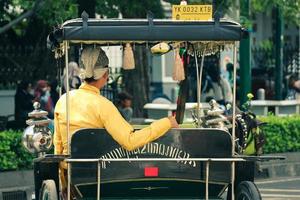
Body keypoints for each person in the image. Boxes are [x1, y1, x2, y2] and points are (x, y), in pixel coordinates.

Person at [54, 46, 179, 196]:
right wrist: (167, 122)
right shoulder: (103, 105)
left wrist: (64, 185)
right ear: (106, 74)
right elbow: (130, 141)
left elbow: (58, 148)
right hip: (99, 178)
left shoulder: (63, 100)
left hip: (73, 178)